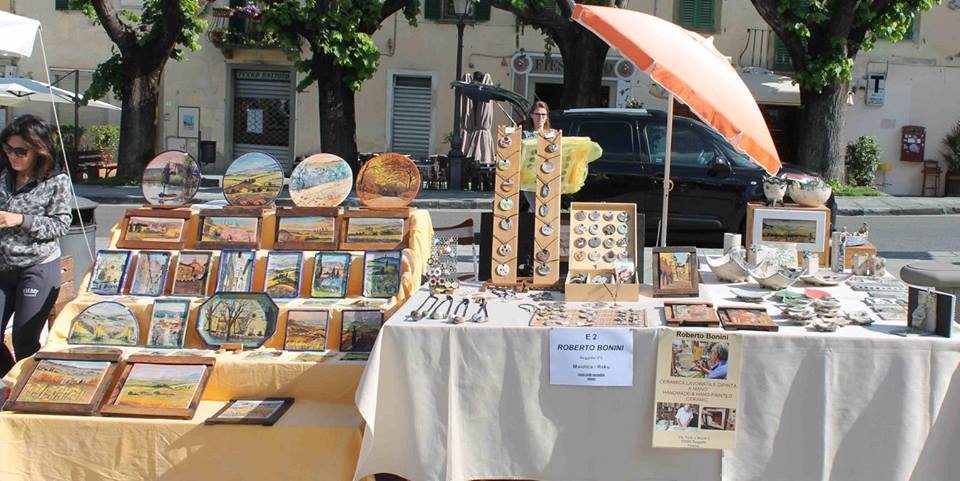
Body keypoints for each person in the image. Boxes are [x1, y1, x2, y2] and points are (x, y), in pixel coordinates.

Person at [0, 115, 73, 376]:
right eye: (8, 149)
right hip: (3, 267)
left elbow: (61, 225)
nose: (13, 156)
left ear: (38, 150)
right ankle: (11, 380)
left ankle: (24, 386)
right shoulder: (3, 174)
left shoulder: (56, 181)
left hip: (37, 266)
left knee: (24, 339)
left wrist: (22, 220)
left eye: (20, 151)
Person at [520, 101, 552, 212]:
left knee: (546, 208)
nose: (540, 117)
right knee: (536, 207)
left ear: (547, 116)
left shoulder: (552, 134)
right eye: (537, 114)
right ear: (531, 115)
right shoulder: (525, 135)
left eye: (543, 114)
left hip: (547, 177)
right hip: (529, 177)